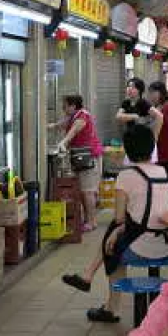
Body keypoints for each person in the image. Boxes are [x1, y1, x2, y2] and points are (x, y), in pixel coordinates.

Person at [64, 123, 168, 323]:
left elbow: (119, 218)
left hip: (145, 246)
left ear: (127, 149)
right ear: (152, 147)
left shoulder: (126, 176)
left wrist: (119, 230)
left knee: (113, 246)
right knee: (114, 236)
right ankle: (88, 277)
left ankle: (111, 307)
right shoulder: (165, 173)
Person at [55, 95, 103, 234]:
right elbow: (60, 125)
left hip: (89, 158)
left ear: (73, 106)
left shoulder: (82, 116)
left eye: (65, 106)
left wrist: (63, 142)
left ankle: (91, 222)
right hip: (81, 158)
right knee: (83, 191)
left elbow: (74, 130)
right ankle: (87, 219)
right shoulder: (73, 117)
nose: (63, 109)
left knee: (88, 191)